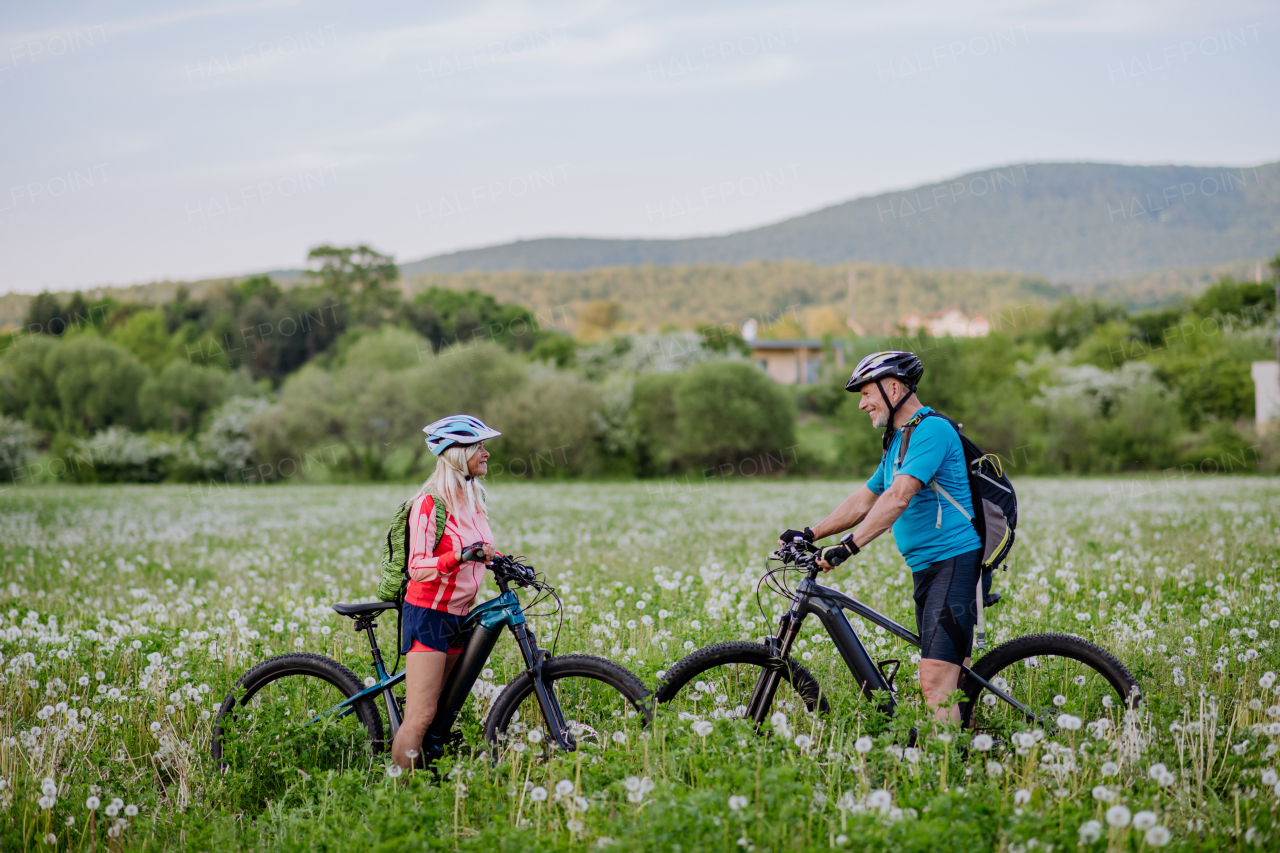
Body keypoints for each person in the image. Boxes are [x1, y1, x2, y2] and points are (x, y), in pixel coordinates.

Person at [778, 351, 987, 723]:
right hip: (926, 569)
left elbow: (898, 496)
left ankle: (947, 774)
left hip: (954, 562)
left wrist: (848, 547)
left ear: (893, 387)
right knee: (951, 683)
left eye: (865, 393)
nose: (861, 404)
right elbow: (864, 499)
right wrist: (811, 533)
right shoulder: (898, 441)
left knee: (935, 682)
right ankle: (965, 751)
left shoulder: (932, 430)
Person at [390, 414, 502, 769]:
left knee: (443, 707)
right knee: (421, 716)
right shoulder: (429, 504)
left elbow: (480, 549)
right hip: (429, 616)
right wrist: (458, 556)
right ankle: (401, 800)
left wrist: (505, 562)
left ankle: (428, 775)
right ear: (458, 453)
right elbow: (417, 568)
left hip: (460, 615)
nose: (486, 453)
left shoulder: (473, 500)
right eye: (479, 446)